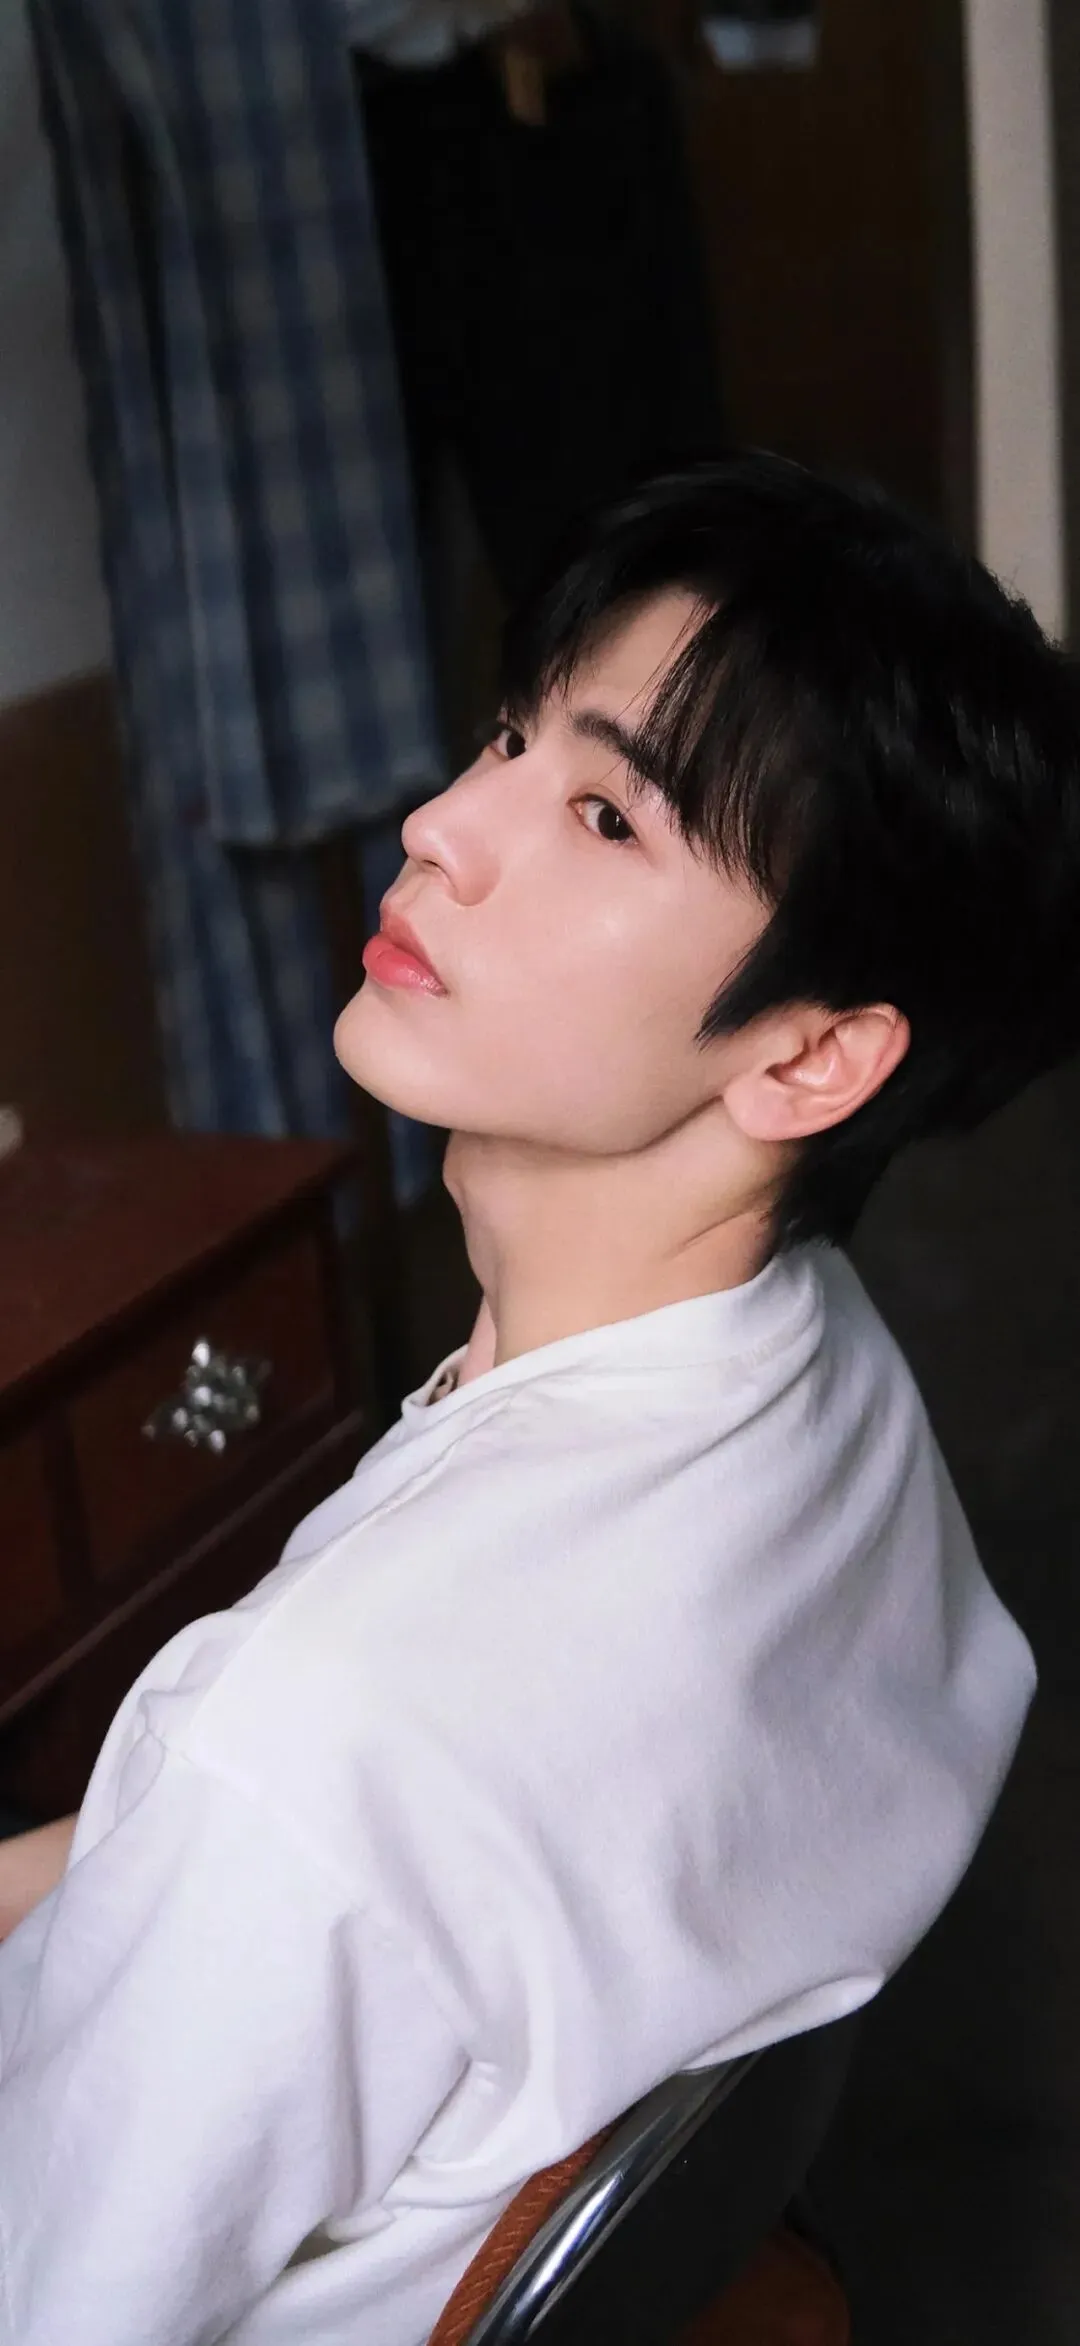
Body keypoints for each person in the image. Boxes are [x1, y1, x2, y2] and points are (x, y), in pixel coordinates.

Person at [0, 450, 1068, 2346]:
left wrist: (204, 1805)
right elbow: (255, 1843)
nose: (436, 823)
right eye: (508, 736)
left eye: (601, 814)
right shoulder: (819, 1371)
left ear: (811, 1056)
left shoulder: (320, 1742)